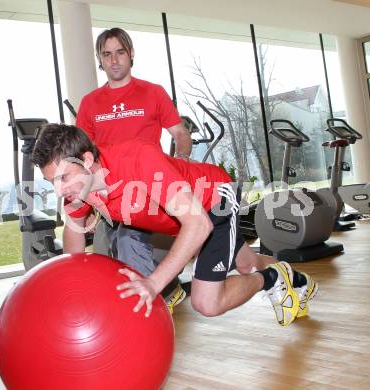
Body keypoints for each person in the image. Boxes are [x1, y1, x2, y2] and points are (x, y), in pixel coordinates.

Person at [32, 124, 318, 326]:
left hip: (212, 200)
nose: (59, 190)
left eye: (64, 178)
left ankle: (273, 279)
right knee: (246, 264)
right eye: (51, 182)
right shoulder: (78, 190)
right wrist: (73, 297)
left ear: (87, 160)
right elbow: (74, 248)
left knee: (208, 302)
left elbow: (198, 225)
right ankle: (293, 278)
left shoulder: (137, 161)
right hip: (181, 222)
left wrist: (154, 284)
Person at [75, 27, 192, 312]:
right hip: (110, 193)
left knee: (128, 240)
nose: (114, 60)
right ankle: (168, 289)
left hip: (148, 188)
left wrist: (182, 163)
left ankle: (149, 312)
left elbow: (180, 134)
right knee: (109, 254)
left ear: (131, 55)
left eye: (119, 52)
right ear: (100, 60)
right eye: (107, 54)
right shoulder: (90, 103)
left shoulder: (153, 92)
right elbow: (82, 154)